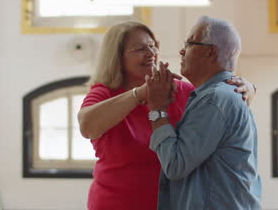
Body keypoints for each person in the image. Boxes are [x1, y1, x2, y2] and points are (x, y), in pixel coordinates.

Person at [77, 20, 257, 210]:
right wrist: (141, 93)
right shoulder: (105, 92)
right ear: (117, 57)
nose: (151, 53)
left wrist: (249, 88)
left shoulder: (177, 88)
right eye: (139, 49)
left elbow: (219, 104)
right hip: (117, 203)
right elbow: (87, 126)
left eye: (152, 45)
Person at [146, 16, 261, 210]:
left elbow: (175, 165)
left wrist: (157, 110)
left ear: (211, 52)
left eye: (189, 43)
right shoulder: (222, 94)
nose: (182, 51)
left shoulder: (214, 99)